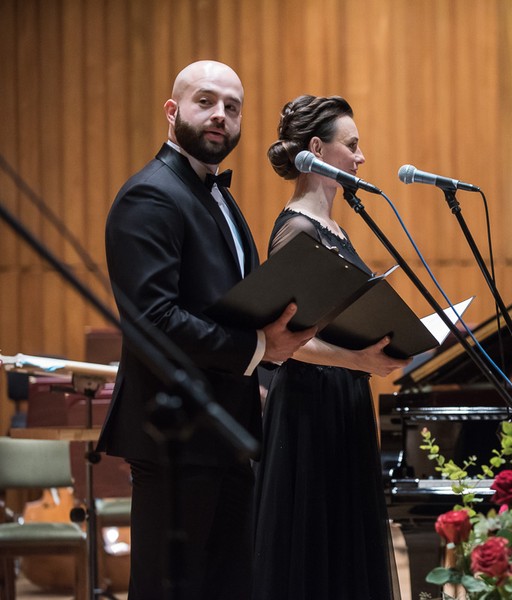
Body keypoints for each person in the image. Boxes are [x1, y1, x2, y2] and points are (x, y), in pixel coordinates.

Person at [99, 60, 316, 600]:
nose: (221, 115)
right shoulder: (149, 195)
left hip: (229, 430)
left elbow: (230, 302)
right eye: (206, 101)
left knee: (228, 586)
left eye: (233, 107)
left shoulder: (215, 196)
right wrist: (260, 348)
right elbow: (154, 321)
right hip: (176, 435)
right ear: (172, 111)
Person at [252, 95, 410, 600]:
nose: (361, 158)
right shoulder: (296, 226)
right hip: (308, 407)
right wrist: (359, 359)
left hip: (341, 399)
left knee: (344, 545)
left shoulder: (334, 225)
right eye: (352, 145)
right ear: (318, 149)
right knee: (312, 552)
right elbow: (288, 342)